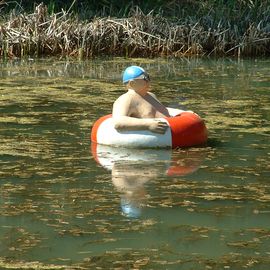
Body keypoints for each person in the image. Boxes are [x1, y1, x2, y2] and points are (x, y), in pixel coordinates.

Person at [112, 65, 173, 134]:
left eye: (148, 77)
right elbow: (118, 122)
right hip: (153, 140)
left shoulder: (151, 95)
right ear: (132, 83)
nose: (149, 81)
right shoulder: (126, 99)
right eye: (145, 78)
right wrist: (148, 125)